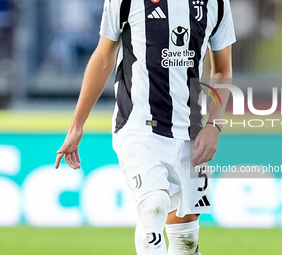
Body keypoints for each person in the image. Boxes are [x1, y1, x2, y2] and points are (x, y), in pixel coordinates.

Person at [55, 0, 235, 254]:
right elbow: (104, 58)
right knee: (154, 204)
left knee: (186, 239)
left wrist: (214, 126)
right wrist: (77, 125)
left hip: (191, 132)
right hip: (139, 125)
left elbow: (222, 69)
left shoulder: (215, 3)